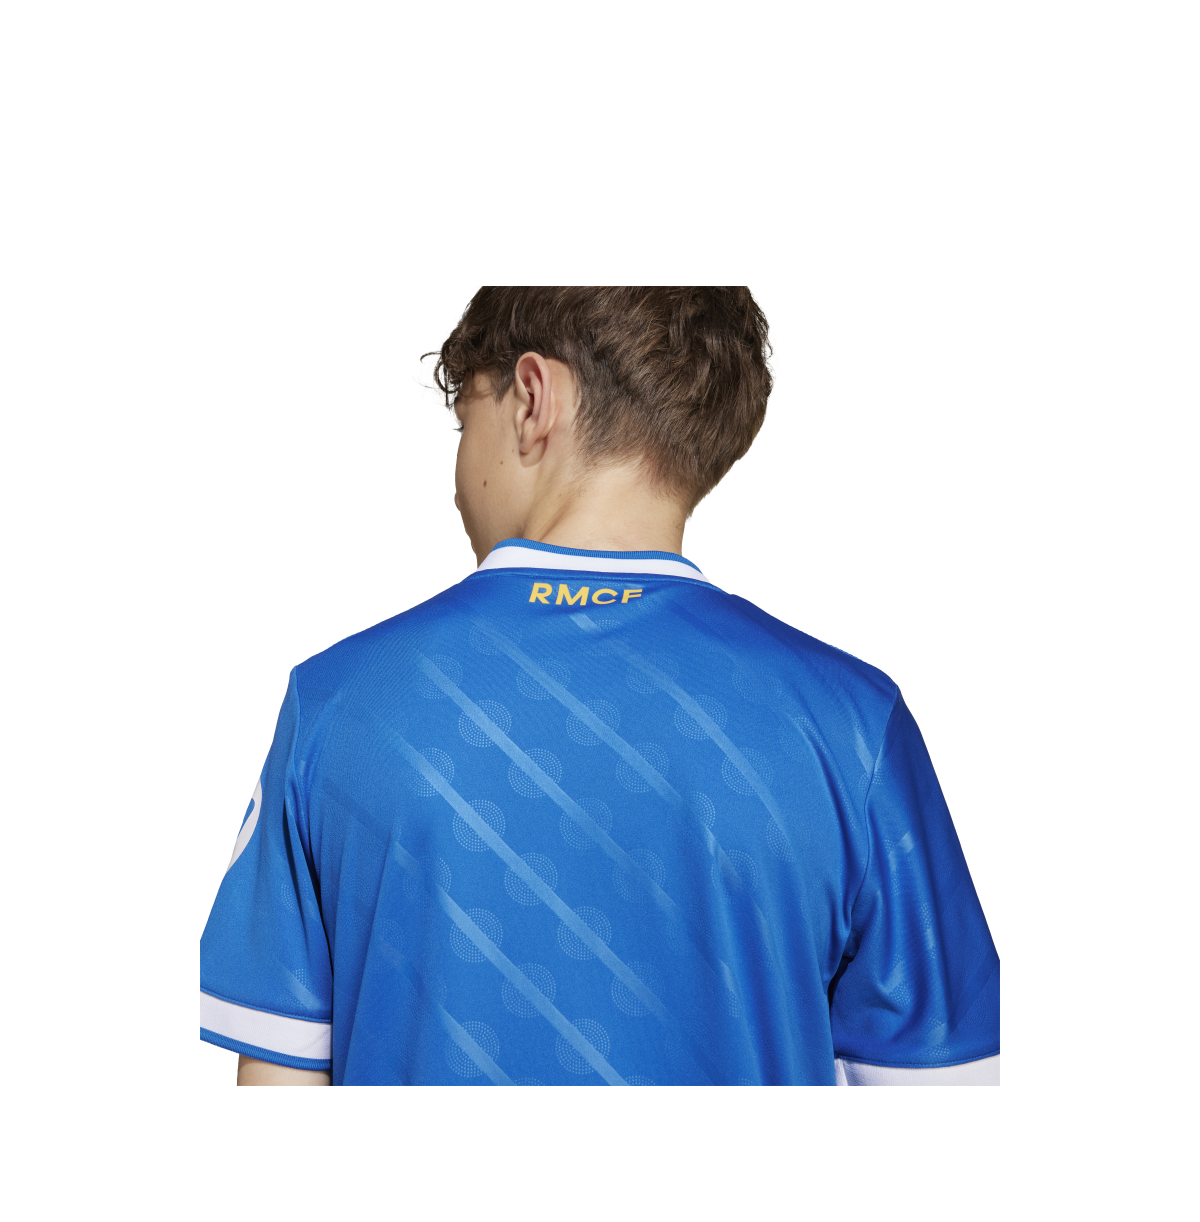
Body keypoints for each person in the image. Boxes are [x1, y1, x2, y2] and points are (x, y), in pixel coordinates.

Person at [200, 287, 1000, 1086]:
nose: (457, 482)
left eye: (466, 422)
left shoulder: (337, 705)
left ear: (531, 400)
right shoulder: (855, 727)